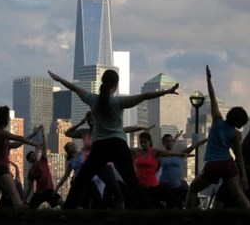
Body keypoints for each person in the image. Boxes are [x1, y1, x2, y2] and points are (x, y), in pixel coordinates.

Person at [48, 69, 179, 209]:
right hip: (118, 144)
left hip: (100, 146)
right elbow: (144, 96)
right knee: (132, 182)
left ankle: (66, 212)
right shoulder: (119, 101)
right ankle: (146, 211)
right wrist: (166, 91)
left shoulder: (92, 99)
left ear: (102, 82)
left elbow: (74, 87)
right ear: (116, 85)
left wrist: (59, 79)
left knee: (81, 180)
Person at [185, 66, 250, 209]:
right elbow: (239, 157)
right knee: (239, 195)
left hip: (213, 164)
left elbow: (212, 97)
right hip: (227, 164)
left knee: (193, 189)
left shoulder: (217, 121)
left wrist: (208, 79)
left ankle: (187, 217)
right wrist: (243, 176)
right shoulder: (236, 134)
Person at [132, 131, 190, 209]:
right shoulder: (137, 152)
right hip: (141, 185)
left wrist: (181, 154)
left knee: (159, 205)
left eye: (144, 142)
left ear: (149, 142)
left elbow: (169, 152)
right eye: (141, 142)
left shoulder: (154, 152)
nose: (143, 144)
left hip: (153, 185)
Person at [158, 132, 207, 209]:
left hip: (177, 185)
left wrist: (206, 139)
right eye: (167, 141)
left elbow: (193, 146)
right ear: (163, 143)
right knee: (170, 206)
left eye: (171, 141)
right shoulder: (160, 155)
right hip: (164, 186)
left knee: (192, 201)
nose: (169, 143)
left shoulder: (179, 153)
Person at [25, 125, 63, 209]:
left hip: (49, 190)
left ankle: (64, 217)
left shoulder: (43, 160)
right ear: (29, 160)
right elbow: (29, 186)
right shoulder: (31, 172)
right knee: (31, 208)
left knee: (61, 202)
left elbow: (45, 146)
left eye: (33, 155)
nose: (33, 156)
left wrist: (42, 133)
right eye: (31, 156)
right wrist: (24, 199)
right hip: (39, 193)